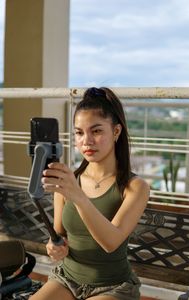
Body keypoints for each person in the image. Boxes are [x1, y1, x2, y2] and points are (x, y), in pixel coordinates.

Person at [30, 87, 149, 300]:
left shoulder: (136, 187)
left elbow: (111, 242)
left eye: (96, 131)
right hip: (67, 278)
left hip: (112, 287)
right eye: (79, 132)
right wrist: (54, 246)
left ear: (116, 132)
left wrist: (78, 196)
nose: (86, 141)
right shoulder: (68, 182)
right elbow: (59, 235)